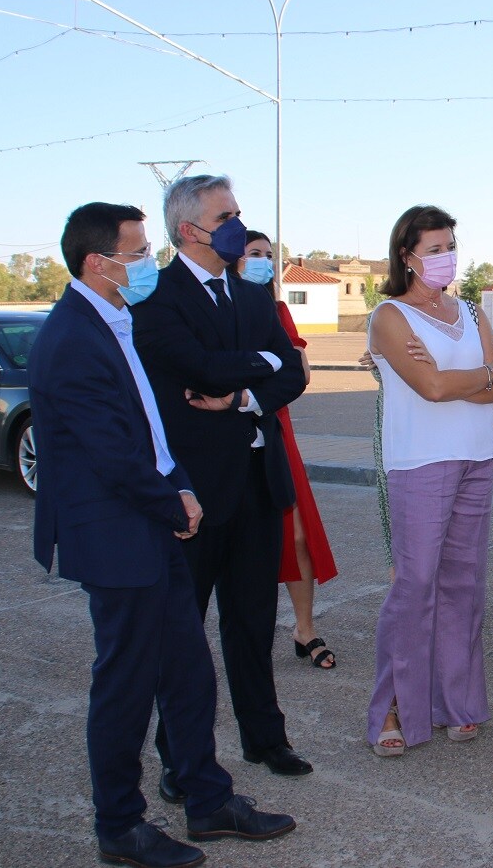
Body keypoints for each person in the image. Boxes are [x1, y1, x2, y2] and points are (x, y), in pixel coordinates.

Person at [30, 202, 295, 868]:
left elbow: (149, 427)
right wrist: (174, 500)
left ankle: (206, 798)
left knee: (186, 670)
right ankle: (120, 824)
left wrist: (178, 482)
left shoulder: (112, 319)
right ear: (99, 262)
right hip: (118, 534)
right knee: (124, 682)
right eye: (137, 250)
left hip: (153, 521)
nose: (146, 261)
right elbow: (110, 453)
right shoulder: (72, 338)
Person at [133, 176, 313, 799]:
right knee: (182, 632)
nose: (240, 223)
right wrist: (260, 363)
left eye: (239, 211)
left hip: (258, 485)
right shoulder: (156, 299)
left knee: (253, 621)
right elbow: (197, 367)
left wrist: (244, 390)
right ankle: (180, 760)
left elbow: (292, 369)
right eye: (227, 215)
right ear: (190, 230)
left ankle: (266, 739)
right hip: (197, 496)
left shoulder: (252, 292)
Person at [365, 204, 493, 756]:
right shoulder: (390, 316)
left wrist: (468, 377)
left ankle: (459, 702)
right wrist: (490, 370)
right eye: (433, 249)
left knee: (463, 586)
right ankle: (396, 708)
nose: (445, 257)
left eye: (450, 245)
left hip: (475, 459)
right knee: (415, 586)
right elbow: (430, 388)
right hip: (418, 463)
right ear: (406, 255)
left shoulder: (472, 312)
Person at [242, 232, 340, 669]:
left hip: (274, 430)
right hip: (222, 435)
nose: (263, 262)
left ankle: (305, 629)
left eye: (268, 255)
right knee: (238, 543)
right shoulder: (212, 311)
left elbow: (298, 373)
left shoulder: (276, 310)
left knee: (296, 535)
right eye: (254, 255)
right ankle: (242, 633)